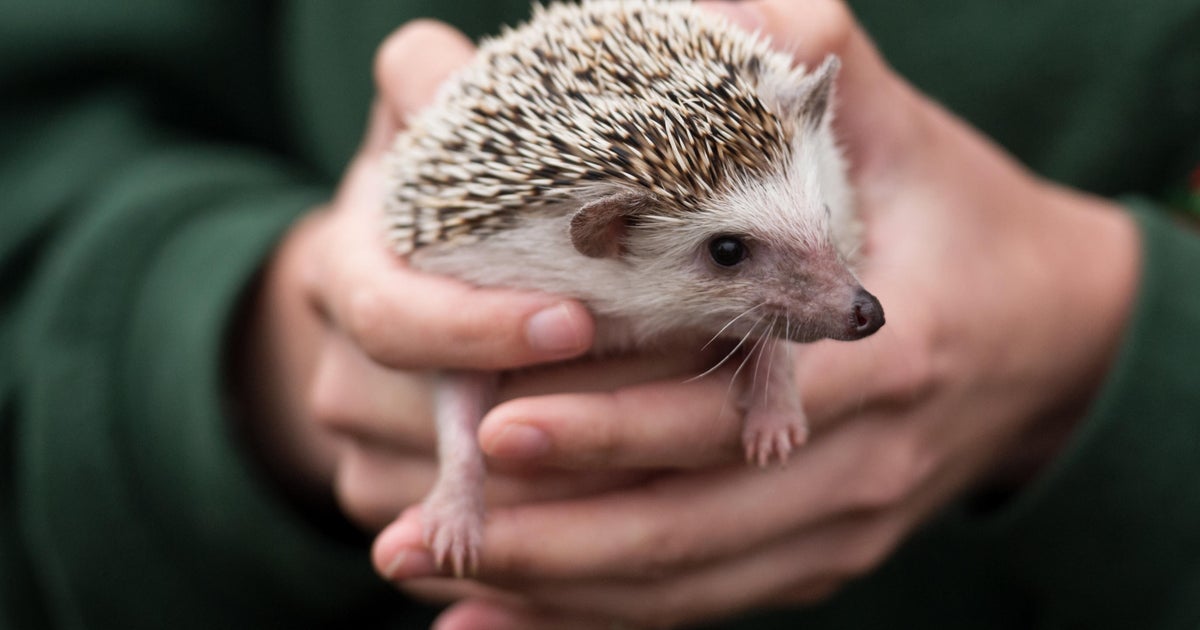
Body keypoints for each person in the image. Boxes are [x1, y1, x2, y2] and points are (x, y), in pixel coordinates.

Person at [2, 1, 1197, 629]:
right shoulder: (517, 249)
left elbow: (807, 285)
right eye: (734, 255)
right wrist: (250, 357)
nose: (846, 305)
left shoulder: (791, 175)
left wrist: (1110, 352)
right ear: (602, 239)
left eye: (815, 245)